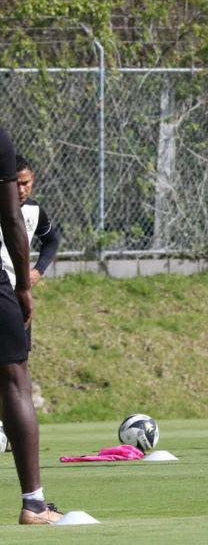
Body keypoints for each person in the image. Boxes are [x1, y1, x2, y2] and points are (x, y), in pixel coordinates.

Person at [0, 131, 62, 524]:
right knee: (14, 380)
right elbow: (9, 218)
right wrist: (24, 285)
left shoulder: (38, 210)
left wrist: (34, 271)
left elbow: (51, 238)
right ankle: (34, 504)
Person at [0, 155, 62, 288]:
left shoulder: (34, 211)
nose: (21, 190)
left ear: (32, 179)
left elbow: (52, 240)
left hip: (15, 290)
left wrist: (38, 270)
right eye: (16, 184)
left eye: (25, 183)